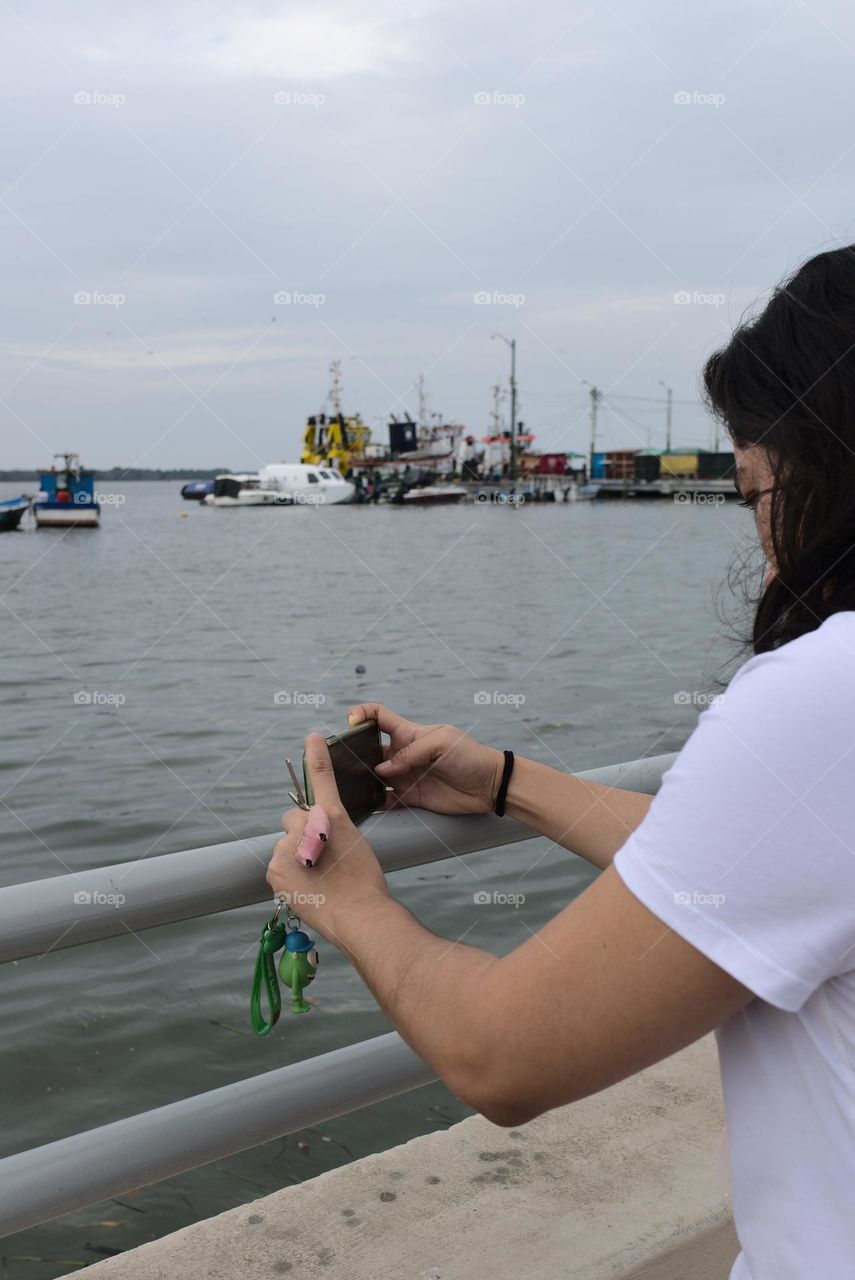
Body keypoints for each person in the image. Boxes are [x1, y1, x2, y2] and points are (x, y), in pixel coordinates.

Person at [268, 246, 855, 1280]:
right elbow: (761, 871)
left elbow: (505, 1054)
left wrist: (348, 901)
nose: (762, 539)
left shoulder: (823, 695)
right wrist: (503, 780)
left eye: (756, 490)